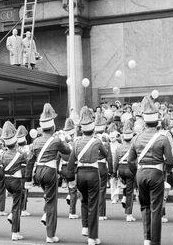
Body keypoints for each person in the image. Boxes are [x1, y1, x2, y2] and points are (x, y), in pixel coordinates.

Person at [128, 96, 173, 245]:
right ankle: (155, 241)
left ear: (144, 121)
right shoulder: (163, 138)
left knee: (144, 206)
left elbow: (130, 160)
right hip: (156, 174)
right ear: (157, 121)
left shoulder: (136, 138)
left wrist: (137, 172)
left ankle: (147, 238)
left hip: (140, 174)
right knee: (156, 208)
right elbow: (170, 160)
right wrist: (167, 168)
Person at [25, 103, 71, 243]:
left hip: (38, 172)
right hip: (50, 172)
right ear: (52, 127)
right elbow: (67, 151)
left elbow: (30, 161)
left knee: (48, 196)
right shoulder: (56, 140)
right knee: (52, 202)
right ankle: (50, 235)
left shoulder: (36, 141)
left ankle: (46, 215)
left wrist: (28, 179)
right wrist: (65, 140)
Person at [67, 107, 108, 245]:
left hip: (80, 174)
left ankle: (85, 227)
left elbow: (71, 162)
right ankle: (92, 236)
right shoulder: (97, 141)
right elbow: (105, 154)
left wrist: (71, 179)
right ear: (93, 129)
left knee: (84, 201)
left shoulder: (76, 142)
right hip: (93, 174)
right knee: (93, 204)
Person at [0, 121, 27, 241]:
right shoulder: (21, 154)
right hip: (17, 181)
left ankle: (13, 214)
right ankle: (15, 232)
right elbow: (26, 169)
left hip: (7, 182)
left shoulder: (2, 155)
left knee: (16, 202)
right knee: (17, 204)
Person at [114, 120, 137, 222]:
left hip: (121, 169)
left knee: (124, 185)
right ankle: (129, 214)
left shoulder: (119, 147)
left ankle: (124, 198)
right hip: (130, 169)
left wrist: (114, 172)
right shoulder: (134, 147)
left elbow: (115, 161)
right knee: (130, 191)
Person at [94, 113, 113, 221]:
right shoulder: (105, 140)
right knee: (102, 190)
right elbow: (109, 157)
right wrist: (110, 171)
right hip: (101, 166)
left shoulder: (90, 139)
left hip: (91, 166)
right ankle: (101, 213)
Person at [60, 118, 79, 219]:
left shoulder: (61, 142)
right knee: (73, 190)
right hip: (73, 167)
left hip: (63, 167)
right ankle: (72, 212)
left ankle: (68, 196)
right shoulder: (75, 142)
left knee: (70, 188)